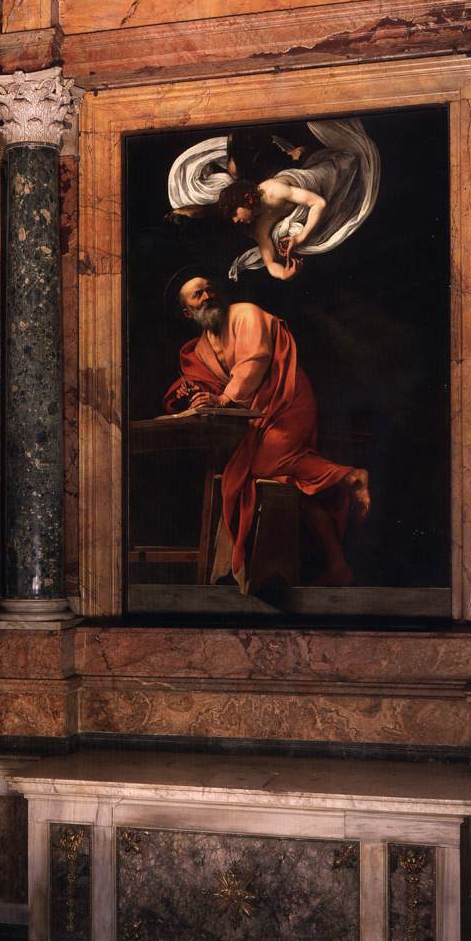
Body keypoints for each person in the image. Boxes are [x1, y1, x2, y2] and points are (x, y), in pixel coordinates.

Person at [164, 275, 370, 590]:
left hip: (287, 399)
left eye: (208, 289)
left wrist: (221, 399)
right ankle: (338, 564)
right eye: (197, 295)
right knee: (290, 482)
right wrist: (191, 393)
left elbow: (253, 364)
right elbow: (202, 382)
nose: (207, 296)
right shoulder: (202, 348)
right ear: (187, 313)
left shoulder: (244, 314)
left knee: (259, 468)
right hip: (257, 414)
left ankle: (350, 476)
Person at [166, 118, 380, 281]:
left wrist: (301, 238)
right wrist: (284, 274)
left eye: (236, 215)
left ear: (248, 199)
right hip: (316, 196)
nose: (236, 221)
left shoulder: (273, 190)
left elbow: (319, 203)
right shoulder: (260, 226)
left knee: (352, 165)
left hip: (324, 179)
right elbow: (269, 263)